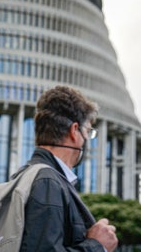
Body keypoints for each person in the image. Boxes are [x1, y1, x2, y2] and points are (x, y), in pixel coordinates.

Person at [19, 85, 118, 251]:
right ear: (74, 131)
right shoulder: (47, 183)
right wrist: (97, 245)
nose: (88, 139)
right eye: (88, 131)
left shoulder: (28, 176)